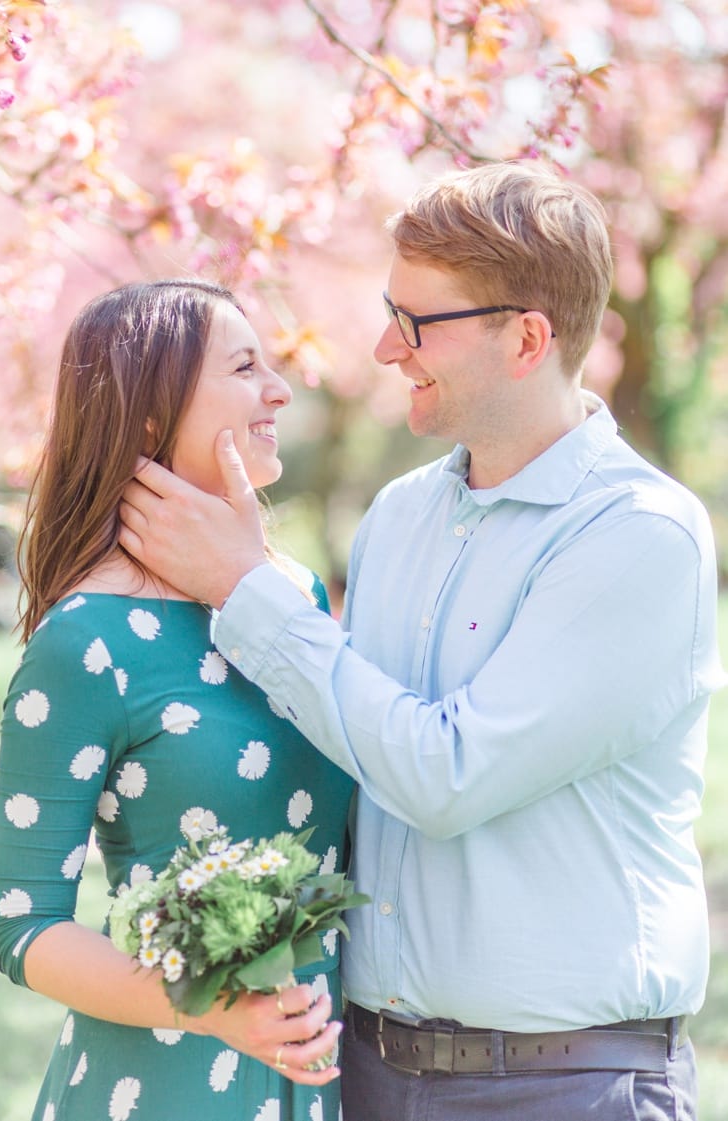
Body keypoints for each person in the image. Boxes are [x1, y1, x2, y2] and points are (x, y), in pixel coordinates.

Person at [118, 163, 722, 1119]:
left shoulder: (638, 535)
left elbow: (445, 776)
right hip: (366, 1071)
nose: (384, 346)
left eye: (417, 322)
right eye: (387, 311)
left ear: (526, 338)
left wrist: (244, 585)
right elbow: (349, 748)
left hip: (562, 1086)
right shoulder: (399, 518)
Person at [0, 278, 355, 1121]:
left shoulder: (293, 595)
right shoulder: (87, 640)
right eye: (244, 367)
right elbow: (24, 925)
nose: (280, 389)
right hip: (162, 1084)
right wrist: (218, 1009)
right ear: (150, 418)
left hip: (322, 1076)